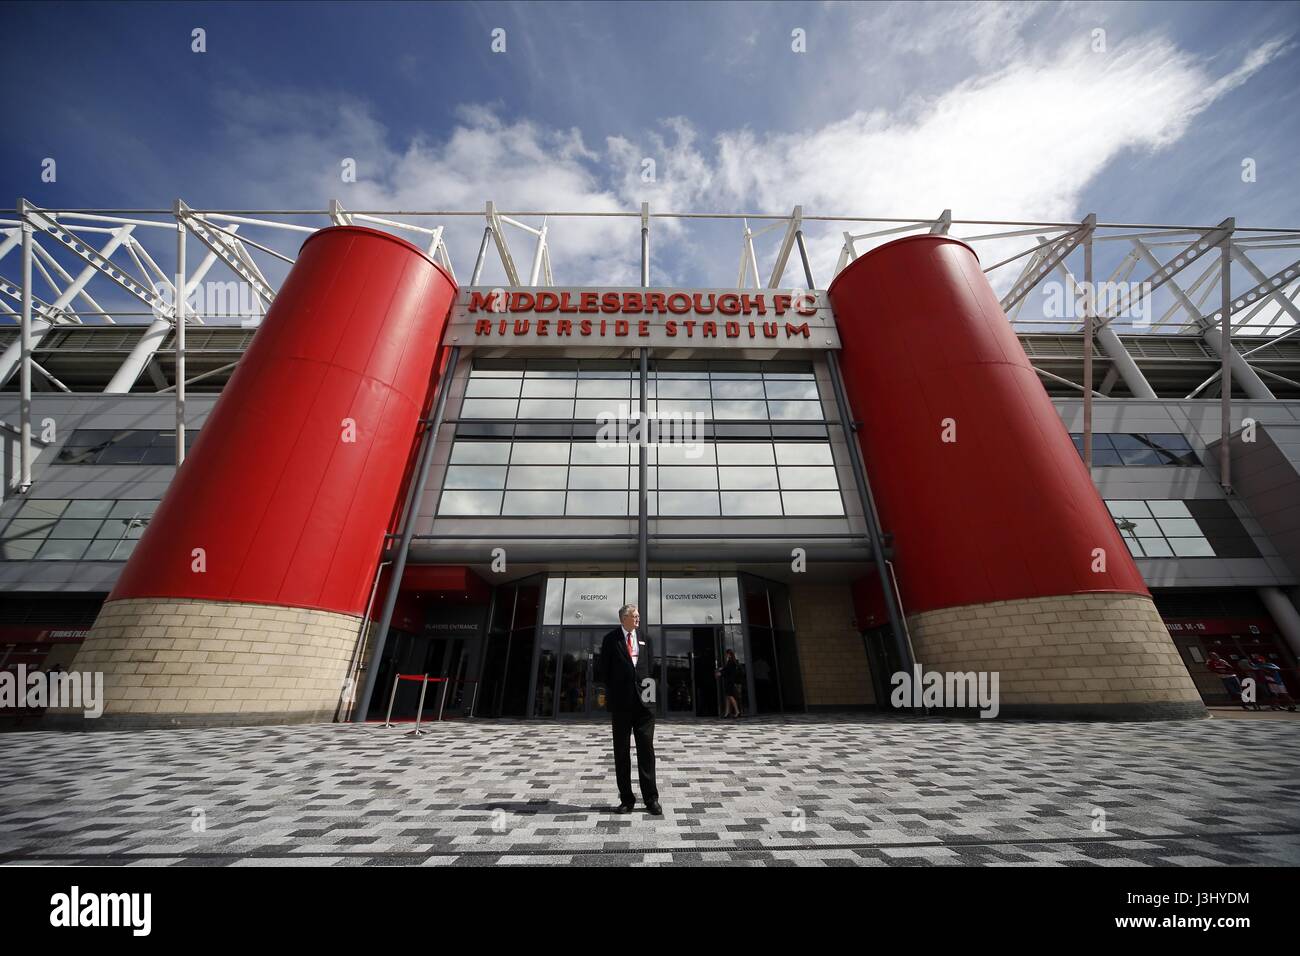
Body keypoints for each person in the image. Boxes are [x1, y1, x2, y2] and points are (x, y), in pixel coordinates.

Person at [598, 603, 661, 815]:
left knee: (646, 751)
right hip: (621, 706)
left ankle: (651, 799)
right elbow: (604, 671)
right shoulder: (610, 639)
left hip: (644, 706)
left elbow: (651, 667)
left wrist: (650, 697)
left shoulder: (646, 638)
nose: (638, 619)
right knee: (622, 752)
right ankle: (626, 799)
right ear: (623, 618)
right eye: (634, 616)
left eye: (638, 616)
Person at [716, 649, 742, 718]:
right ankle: (727, 713)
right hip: (730, 681)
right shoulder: (731, 662)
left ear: (729, 654)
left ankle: (737, 711)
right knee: (727, 697)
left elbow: (727, 671)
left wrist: (720, 673)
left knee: (730, 696)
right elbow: (727, 669)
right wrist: (722, 669)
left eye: (726, 654)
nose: (726, 655)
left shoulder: (730, 662)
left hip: (729, 682)